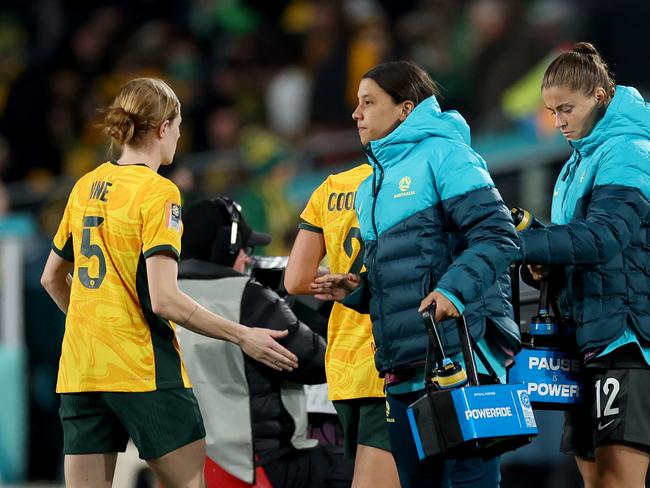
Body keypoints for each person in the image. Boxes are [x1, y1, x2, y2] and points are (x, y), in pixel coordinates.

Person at [39, 77, 298, 488]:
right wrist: (243, 335)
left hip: (80, 369)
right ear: (163, 128)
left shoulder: (84, 186)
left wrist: (94, 325)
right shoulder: (159, 192)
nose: (179, 135)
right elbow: (165, 300)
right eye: (177, 126)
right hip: (141, 368)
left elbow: (52, 278)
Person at [310, 61, 522, 488]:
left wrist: (453, 291)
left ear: (405, 109)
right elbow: (406, 277)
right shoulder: (372, 183)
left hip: (463, 357)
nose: (357, 114)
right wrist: (358, 291)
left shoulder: (448, 154)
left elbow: (498, 235)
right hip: (403, 367)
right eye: (357, 104)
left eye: (368, 103)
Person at [517, 42, 650, 488]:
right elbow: (575, 243)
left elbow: (607, 236)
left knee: (618, 483)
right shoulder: (579, 162)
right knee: (595, 481)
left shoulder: (629, 149)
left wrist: (526, 244)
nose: (559, 123)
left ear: (598, 95)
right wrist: (541, 254)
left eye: (566, 109)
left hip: (626, 339)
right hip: (589, 337)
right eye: (552, 112)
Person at [176, 196, 353, 488]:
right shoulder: (249, 298)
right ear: (228, 247)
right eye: (244, 249)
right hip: (262, 462)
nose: (248, 257)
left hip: (194, 466)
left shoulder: (164, 301)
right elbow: (319, 364)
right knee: (378, 466)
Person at [284, 162, 400, 488]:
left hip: (347, 366)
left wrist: (342, 281)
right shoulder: (416, 177)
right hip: (394, 360)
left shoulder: (333, 186)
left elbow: (295, 280)